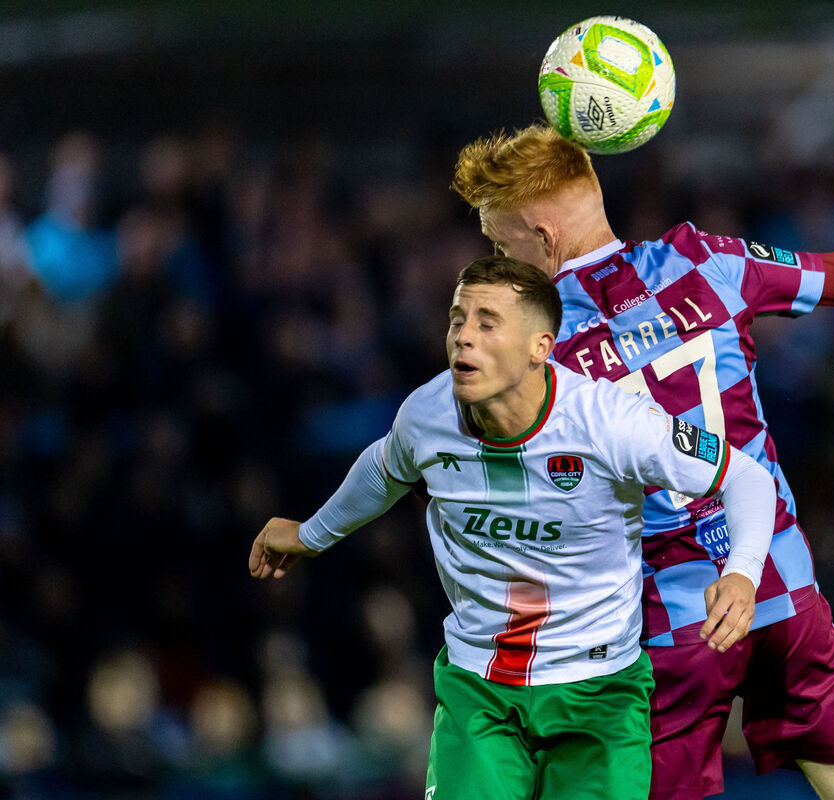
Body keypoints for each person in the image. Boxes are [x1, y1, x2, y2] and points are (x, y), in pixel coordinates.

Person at [451, 125, 834, 800]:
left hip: (673, 630)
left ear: (542, 234)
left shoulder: (536, 352)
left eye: (502, 245)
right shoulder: (708, 263)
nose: (500, 263)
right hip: (781, 590)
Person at [248, 255, 778, 800]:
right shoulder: (426, 415)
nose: (462, 338)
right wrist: (313, 533)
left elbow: (746, 477)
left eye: (486, 322)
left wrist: (741, 573)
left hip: (599, 694)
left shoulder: (609, 422)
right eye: (457, 319)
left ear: (539, 348)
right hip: (480, 689)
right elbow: (385, 469)